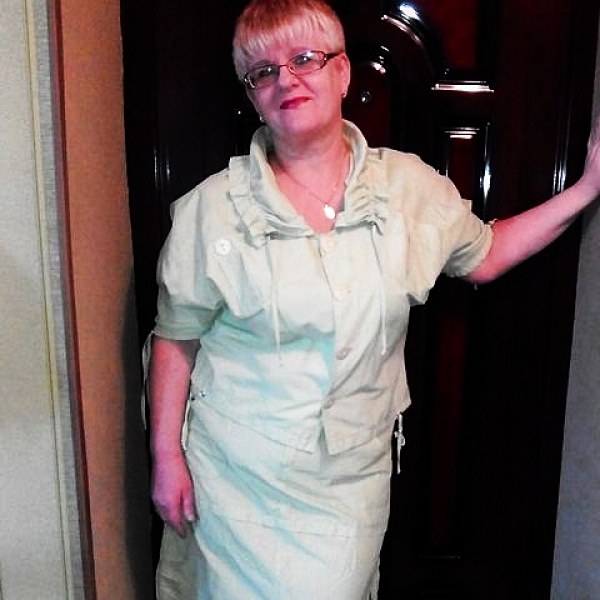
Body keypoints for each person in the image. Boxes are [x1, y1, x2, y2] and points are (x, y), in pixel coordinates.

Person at [147, 0, 600, 597]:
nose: (286, 79)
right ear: (252, 96)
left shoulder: (409, 189)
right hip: (235, 473)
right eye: (263, 70)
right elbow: (176, 340)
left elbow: (486, 254)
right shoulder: (212, 210)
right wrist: (166, 459)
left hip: (350, 477)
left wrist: (586, 190)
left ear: (342, 73)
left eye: (305, 59)